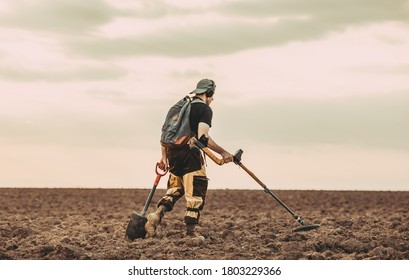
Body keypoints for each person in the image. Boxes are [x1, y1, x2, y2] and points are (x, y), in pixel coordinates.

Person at [145, 78, 234, 240]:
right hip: (190, 155)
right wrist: (223, 152)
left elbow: (166, 134)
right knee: (196, 191)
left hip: (172, 155)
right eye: (212, 96)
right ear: (209, 93)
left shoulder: (180, 108)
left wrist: (164, 158)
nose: (212, 100)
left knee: (174, 189)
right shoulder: (204, 109)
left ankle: (156, 216)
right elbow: (202, 137)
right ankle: (190, 233)